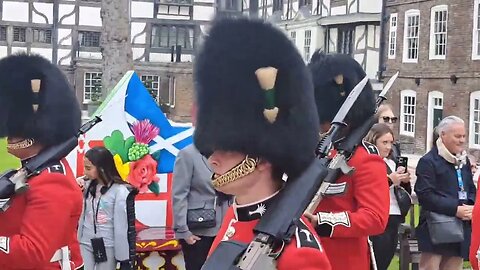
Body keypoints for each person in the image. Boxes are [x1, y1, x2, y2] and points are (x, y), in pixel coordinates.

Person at [194, 17, 331, 269]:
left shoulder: (297, 254)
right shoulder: (234, 220)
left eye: (227, 148)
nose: (213, 158)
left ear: (262, 158)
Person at [305, 51, 390, 270]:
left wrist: (323, 222)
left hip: (340, 261)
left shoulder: (365, 158)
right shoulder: (314, 150)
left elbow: (375, 218)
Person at [0, 54, 83, 269]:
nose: (9, 137)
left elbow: (31, 251)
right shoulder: (30, 171)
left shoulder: (53, 181)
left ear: (33, 130)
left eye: (14, 130)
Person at [415, 116, 475, 270]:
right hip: (435, 229)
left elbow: (470, 189)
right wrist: (455, 209)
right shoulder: (428, 161)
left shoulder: (464, 161)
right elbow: (425, 195)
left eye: (463, 136)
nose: (462, 140)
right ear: (443, 135)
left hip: (460, 229)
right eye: (457, 136)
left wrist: (470, 206)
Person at [172, 144, 229, 270]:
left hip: (226, 229)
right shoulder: (188, 154)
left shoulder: (230, 153)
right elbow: (179, 194)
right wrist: (183, 231)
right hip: (199, 230)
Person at [78, 146, 133, 270]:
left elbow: (121, 225)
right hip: (85, 242)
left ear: (102, 169)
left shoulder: (119, 191)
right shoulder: (87, 185)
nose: (85, 172)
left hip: (107, 244)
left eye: (88, 168)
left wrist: (124, 257)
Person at [365, 123, 412, 270]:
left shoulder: (391, 162)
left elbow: (402, 191)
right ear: (373, 142)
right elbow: (369, 189)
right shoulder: (369, 162)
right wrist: (390, 179)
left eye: (390, 142)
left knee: (386, 258)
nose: (388, 147)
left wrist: (404, 181)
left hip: (395, 215)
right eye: (384, 142)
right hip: (378, 216)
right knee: (375, 260)